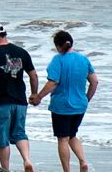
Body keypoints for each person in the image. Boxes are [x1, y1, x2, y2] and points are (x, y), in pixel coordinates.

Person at [0, 22, 40, 172]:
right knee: (19, 133)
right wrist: (34, 93)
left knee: (2, 137)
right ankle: (27, 160)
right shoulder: (21, 52)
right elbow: (33, 75)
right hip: (20, 101)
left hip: (1, 102)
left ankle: (5, 169)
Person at [36, 29, 98, 172]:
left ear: (58, 46)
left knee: (63, 138)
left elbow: (53, 83)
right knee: (73, 135)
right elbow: (94, 82)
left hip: (61, 106)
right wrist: (86, 99)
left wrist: (39, 96)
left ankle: (66, 170)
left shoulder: (58, 60)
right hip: (80, 106)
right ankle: (83, 161)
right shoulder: (83, 59)